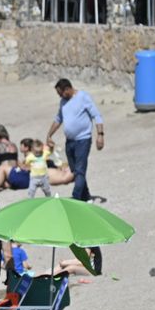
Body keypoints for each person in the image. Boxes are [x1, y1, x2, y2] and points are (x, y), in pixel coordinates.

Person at [46, 78, 105, 270]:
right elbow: (58, 118)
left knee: (79, 171)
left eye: (60, 93)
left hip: (83, 140)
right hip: (70, 141)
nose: (60, 96)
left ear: (68, 89)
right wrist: (49, 134)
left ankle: (76, 198)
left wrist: (100, 135)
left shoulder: (83, 97)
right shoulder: (63, 101)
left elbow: (97, 115)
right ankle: (85, 196)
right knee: (76, 171)